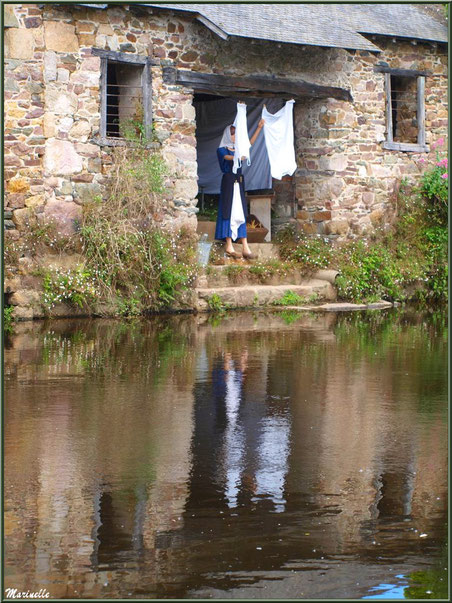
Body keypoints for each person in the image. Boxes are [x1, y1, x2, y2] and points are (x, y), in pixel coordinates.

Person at [215, 114, 265, 259]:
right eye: (233, 134)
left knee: (240, 212)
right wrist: (239, 155)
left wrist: (259, 128)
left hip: (239, 182)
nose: (236, 136)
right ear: (228, 135)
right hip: (229, 182)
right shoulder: (222, 150)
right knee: (228, 211)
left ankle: (245, 246)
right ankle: (229, 245)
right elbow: (228, 158)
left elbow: (248, 144)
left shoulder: (238, 149)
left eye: (236, 134)